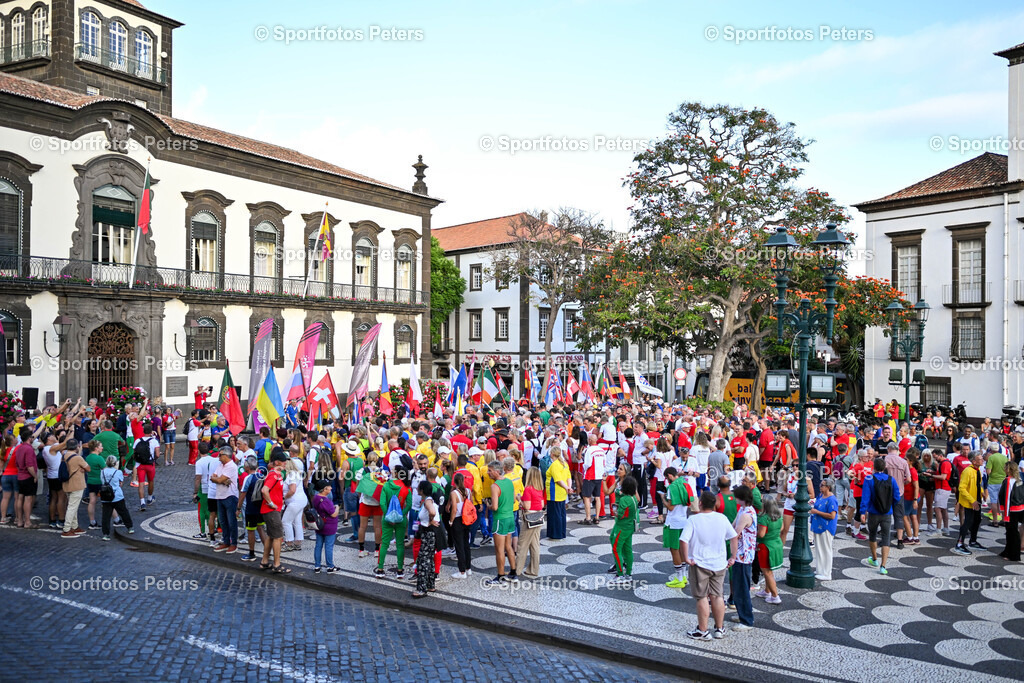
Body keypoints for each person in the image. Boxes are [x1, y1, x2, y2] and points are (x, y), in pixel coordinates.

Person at [681, 491, 738, 640]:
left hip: (699, 563)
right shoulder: (722, 518)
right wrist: (733, 556)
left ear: (700, 503)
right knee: (717, 595)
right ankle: (719, 629)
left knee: (701, 597)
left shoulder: (693, 520)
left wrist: (686, 558)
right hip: (719, 563)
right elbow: (733, 536)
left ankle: (702, 630)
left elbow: (683, 540)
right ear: (715, 504)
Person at [860, 456, 901, 574]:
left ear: (874, 467)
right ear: (885, 467)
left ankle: (874, 559)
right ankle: (883, 566)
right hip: (887, 513)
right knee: (886, 537)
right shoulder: (891, 479)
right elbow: (897, 497)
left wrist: (863, 512)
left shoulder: (869, 479)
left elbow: (865, 498)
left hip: (873, 512)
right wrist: (890, 506)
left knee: (872, 535)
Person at [729, 485, 757, 631]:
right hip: (741, 553)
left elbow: (735, 533)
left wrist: (732, 555)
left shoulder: (747, 514)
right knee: (738, 586)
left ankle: (746, 620)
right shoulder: (742, 510)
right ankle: (741, 613)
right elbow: (733, 528)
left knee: (742, 587)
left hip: (743, 555)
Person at [376, 468, 411, 579]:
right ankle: (400, 570)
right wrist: (401, 514)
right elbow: (409, 505)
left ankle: (380, 569)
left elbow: (382, 503)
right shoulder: (406, 488)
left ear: (395, 474)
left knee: (384, 543)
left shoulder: (386, 486)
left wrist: (388, 516)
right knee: (400, 544)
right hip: (401, 520)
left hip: (387, 519)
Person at [260, 450, 291, 574]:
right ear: (277, 462)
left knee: (271, 536)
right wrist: (271, 503)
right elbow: (264, 490)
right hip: (271, 510)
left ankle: (265, 561)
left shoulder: (277, 474)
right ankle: (277, 564)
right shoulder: (273, 475)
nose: (285, 463)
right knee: (278, 537)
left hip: (272, 510)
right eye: (283, 461)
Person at [487, 459, 517, 585]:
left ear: (496, 471)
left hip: (500, 519)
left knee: (499, 549)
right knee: (508, 546)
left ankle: (500, 576)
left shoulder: (495, 486)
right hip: (510, 517)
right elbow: (514, 499)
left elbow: (494, 507)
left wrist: (487, 505)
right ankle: (513, 573)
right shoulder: (509, 482)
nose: (488, 473)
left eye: (490, 470)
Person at [412, 480, 443, 598]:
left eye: (418, 488)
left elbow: (432, 511)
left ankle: (421, 588)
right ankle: (430, 584)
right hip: (431, 533)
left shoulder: (427, 501)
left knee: (423, 560)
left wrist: (430, 520)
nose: (416, 489)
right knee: (429, 559)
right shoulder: (427, 500)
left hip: (429, 532)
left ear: (422, 490)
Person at [515, 465, 545, 579]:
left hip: (529, 519)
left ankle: (516, 570)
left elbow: (527, 506)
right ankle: (533, 570)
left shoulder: (528, 489)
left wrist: (519, 499)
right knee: (535, 545)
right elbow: (541, 505)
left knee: (522, 545)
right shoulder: (539, 488)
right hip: (539, 518)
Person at [754, 494, 784, 604]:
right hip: (776, 543)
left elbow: (761, 534)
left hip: (765, 546)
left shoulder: (763, 517)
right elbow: (782, 528)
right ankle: (767, 591)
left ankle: (775, 596)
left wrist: (752, 534)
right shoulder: (779, 515)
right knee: (769, 571)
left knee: (767, 572)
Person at [609, 475, 639, 586]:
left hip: (622, 527)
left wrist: (615, 511)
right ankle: (629, 574)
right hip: (630, 527)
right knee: (628, 550)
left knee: (616, 549)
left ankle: (620, 574)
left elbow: (620, 515)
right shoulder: (634, 499)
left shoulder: (623, 500)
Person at [238, 456, 269, 562]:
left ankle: (251, 553)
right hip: (260, 507)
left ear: (247, 467)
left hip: (251, 508)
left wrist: (238, 507)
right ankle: (267, 551)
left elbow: (243, 494)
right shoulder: (262, 476)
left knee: (251, 531)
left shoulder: (248, 478)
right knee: (261, 529)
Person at [952, 452, 984, 555]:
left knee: (977, 520)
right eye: (980, 459)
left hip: (977, 500)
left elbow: (977, 484)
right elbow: (962, 488)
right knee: (968, 522)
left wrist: (982, 492)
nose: (982, 460)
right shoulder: (968, 471)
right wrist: (972, 500)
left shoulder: (977, 470)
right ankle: (959, 543)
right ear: (974, 461)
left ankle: (973, 541)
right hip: (970, 502)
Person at [210, 446, 239, 553]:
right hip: (220, 496)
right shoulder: (220, 465)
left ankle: (233, 543)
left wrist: (218, 479)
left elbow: (218, 478)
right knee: (222, 521)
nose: (218, 457)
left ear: (226, 455)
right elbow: (213, 477)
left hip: (229, 496)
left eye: (220, 455)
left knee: (231, 522)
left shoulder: (231, 466)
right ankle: (226, 541)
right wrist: (220, 480)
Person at [99, 454, 134, 539]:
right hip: (117, 496)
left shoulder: (102, 472)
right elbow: (120, 483)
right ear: (115, 463)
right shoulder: (118, 472)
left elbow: (102, 481)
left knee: (106, 516)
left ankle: (106, 534)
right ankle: (129, 527)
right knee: (123, 512)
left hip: (105, 496)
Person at [810, 480, 839, 581]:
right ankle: (820, 570)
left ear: (828, 487)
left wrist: (816, 511)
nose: (820, 487)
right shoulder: (820, 495)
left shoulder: (832, 499)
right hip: (818, 526)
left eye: (822, 485)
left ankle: (827, 573)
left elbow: (832, 515)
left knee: (826, 550)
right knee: (819, 549)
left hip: (826, 528)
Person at [60, 439, 90, 538]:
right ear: (76, 447)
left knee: (73, 506)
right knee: (72, 507)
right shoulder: (78, 458)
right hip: (77, 484)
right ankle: (67, 529)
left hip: (67, 484)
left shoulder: (64, 455)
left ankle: (74, 526)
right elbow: (88, 468)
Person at [281, 451, 308, 552]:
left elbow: (292, 490)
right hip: (300, 500)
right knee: (297, 521)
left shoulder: (291, 474)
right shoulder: (295, 473)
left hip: (295, 501)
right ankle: (298, 543)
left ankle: (289, 543)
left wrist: (284, 498)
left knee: (285, 521)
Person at [449, 472, 474, 578]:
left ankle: (462, 571)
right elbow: (471, 504)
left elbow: (454, 509)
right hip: (467, 519)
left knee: (459, 546)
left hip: (458, 520)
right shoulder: (468, 491)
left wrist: (451, 521)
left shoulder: (454, 493)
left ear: (454, 482)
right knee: (466, 544)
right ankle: (468, 568)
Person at [311, 480, 340, 573]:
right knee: (328, 546)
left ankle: (317, 566)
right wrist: (337, 508)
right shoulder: (326, 501)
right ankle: (330, 566)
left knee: (318, 545)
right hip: (329, 526)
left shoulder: (315, 498)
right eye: (329, 487)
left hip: (319, 525)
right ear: (324, 489)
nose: (331, 488)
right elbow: (333, 514)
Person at [997, 461, 1022, 561]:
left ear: (1008, 470)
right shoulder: (1019, 479)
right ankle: (1009, 551)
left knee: (1011, 532)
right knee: (1013, 531)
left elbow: (1007, 497)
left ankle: (1013, 554)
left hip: (1010, 510)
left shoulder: (1008, 481)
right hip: (1018, 508)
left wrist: (1005, 513)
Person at [545, 447, 571, 540]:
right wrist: (569, 487)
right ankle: (561, 532)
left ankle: (555, 533)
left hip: (554, 492)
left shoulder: (555, 465)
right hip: (562, 492)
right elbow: (569, 477)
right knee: (561, 513)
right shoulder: (564, 463)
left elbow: (558, 480)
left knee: (554, 514)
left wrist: (567, 487)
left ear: (552, 454)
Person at [986, 442, 1008, 527]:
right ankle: (1003, 519)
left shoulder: (991, 458)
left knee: (994, 501)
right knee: (1002, 501)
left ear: (991, 449)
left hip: (993, 482)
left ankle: (995, 520)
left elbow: (988, 471)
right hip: (1003, 481)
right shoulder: (1004, 457)